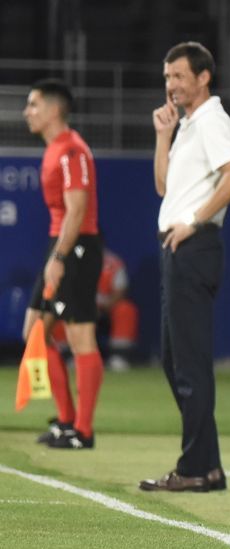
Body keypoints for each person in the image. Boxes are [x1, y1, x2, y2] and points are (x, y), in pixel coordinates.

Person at [140, 42, 230, 493]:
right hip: (179, 246)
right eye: (167, 77)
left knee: (188, 365)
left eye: (179, 76)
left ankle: (195, 468)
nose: (171, 85)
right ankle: (208, 466)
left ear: (204, 77)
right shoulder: (187, 124)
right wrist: (163, 136)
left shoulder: (211, 120)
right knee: (176, 361)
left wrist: (194, 222)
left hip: (194, 246)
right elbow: (164, 186)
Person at [22, 79, 104, 450]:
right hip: (61, 244)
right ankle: (66, 420)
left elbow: (78, 209)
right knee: (35, 331)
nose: (27, 112)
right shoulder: (55, 148)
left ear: (54, 110)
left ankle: (83, 431)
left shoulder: (72, 150)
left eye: (34, 105)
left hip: (77, 247)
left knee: (80, 336)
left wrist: (59, 258)